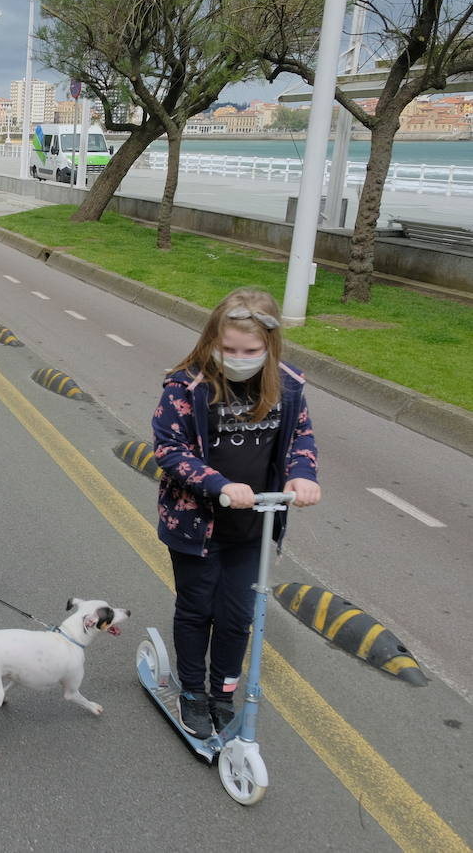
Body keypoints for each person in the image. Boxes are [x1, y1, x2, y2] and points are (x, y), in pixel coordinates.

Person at [151, 287, 320, 738]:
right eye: (228, 348)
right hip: (196, 524)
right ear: (211, 340)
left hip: (253, 524)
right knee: (197, 608)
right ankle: (191, 690)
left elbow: (301, 439)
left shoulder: (287, 386)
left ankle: (223, 691)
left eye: (250, 350)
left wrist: (302, 475)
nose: (238, 357)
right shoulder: (187, 386)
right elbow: (170, 449)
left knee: (238, 614)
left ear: (270, 347)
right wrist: (218, 485)